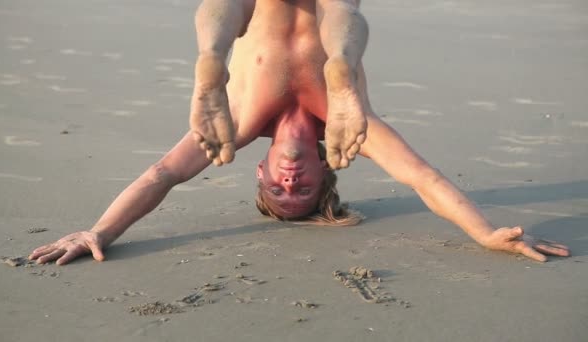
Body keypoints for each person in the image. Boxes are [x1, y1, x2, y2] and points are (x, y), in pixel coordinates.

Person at [29, 0, 570, 265]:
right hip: (330, 48)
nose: (289, 180)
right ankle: (340, 63)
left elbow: (163, 174)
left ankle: (211, 56)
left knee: (233, 9)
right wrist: (482, 232)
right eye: (303, 190)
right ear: (324, 166)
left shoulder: (237, 124)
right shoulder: (350, 128)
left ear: (259, 170)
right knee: (340, 12)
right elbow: (421, 178)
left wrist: (98, 231)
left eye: (276, 189)